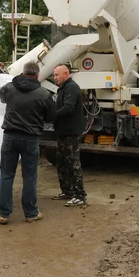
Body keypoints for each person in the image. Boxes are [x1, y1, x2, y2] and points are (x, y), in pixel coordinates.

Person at [0, 62, 55, 224]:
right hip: (31, 139)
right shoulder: (44, 93)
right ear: (37, 75)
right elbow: (50, 117)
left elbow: (1, 97)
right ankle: (31, 213)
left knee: (6, 175)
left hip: (10, 137)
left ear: (22, 72)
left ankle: (3, 214)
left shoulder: (9, 88)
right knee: (30, 176)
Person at [51, 64, 87, 207]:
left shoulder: (71, 88)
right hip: (63, 132)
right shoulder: (63, 88)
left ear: (66, 74)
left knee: (73, 163)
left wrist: (52, 115)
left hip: (71, 133)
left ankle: (80, 195)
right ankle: (67, 191)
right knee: (61, 162)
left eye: (56, 75)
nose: (54, 78)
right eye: (54, 75)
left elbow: (68, 108)